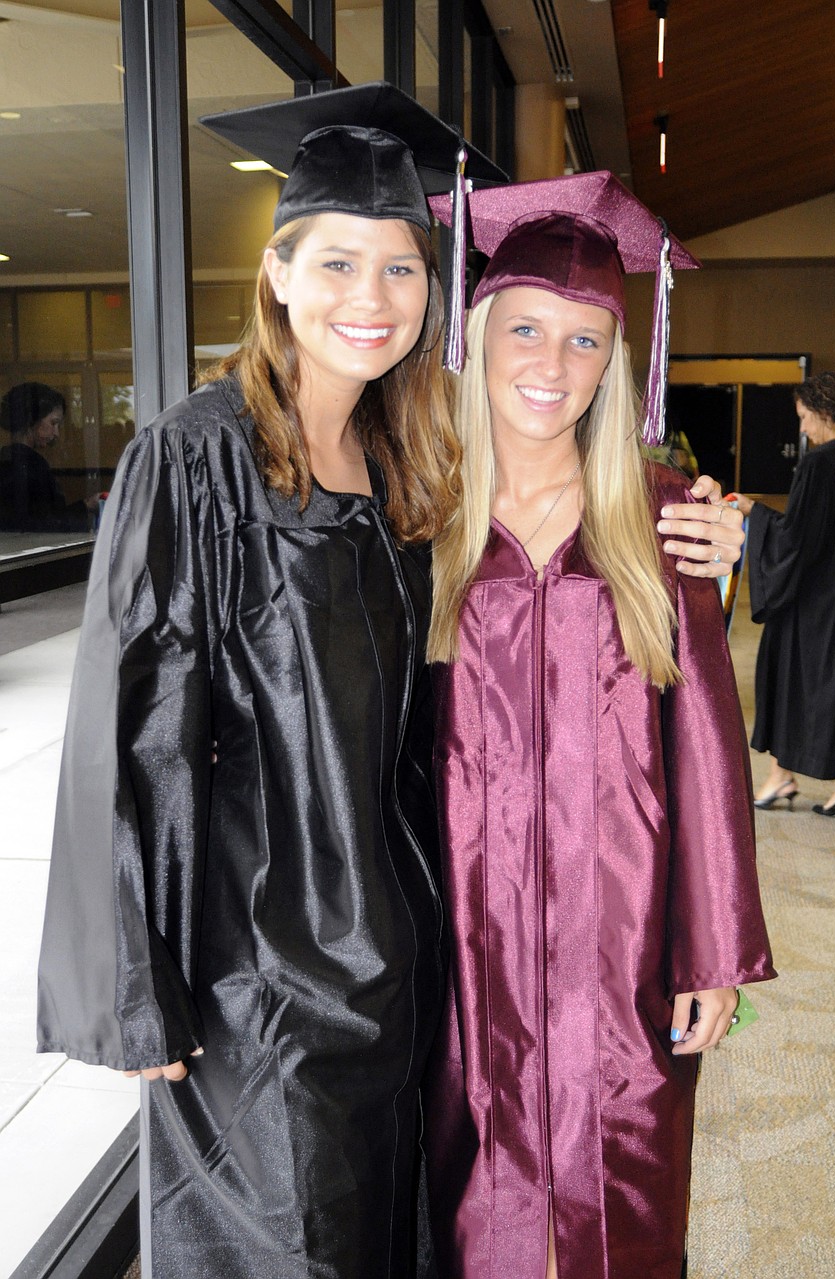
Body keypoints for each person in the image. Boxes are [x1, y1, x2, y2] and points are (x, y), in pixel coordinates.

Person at [36, 86, 743, 1278]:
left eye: (403, 270)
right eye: (339, 264)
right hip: (262, 956)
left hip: (400, 947)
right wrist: (127, 983)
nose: (372, 299)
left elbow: (687, 737)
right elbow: (134, 719)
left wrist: (734, 537)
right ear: (276, 274)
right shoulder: (216, 458)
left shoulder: (406, 474)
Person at [422, 176, 775, 1279]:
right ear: (475, 336)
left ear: (616, 359)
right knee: (459, 1204)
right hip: (453, 954)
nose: (550, 364)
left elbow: (709, 748)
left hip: (616, 950)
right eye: (524, 328)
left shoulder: (660, 519)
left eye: (585, 339)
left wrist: (709, 948)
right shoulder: (416, 520)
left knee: (621, 1205)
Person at [736, 372, 835, 817]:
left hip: (814, 601)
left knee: (785, 677)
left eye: (804, 418)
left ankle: (781, 775)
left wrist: (752, 511)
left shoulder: (820, 464)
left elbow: (795, 540)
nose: (803, 429)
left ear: (822, 412)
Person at [0, 382, 99, 532]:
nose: (56, 433)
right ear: (32, 420)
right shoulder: (33, 466)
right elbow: (46, 524)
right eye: (53, 423)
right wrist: (85, 507)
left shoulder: (6, 459)